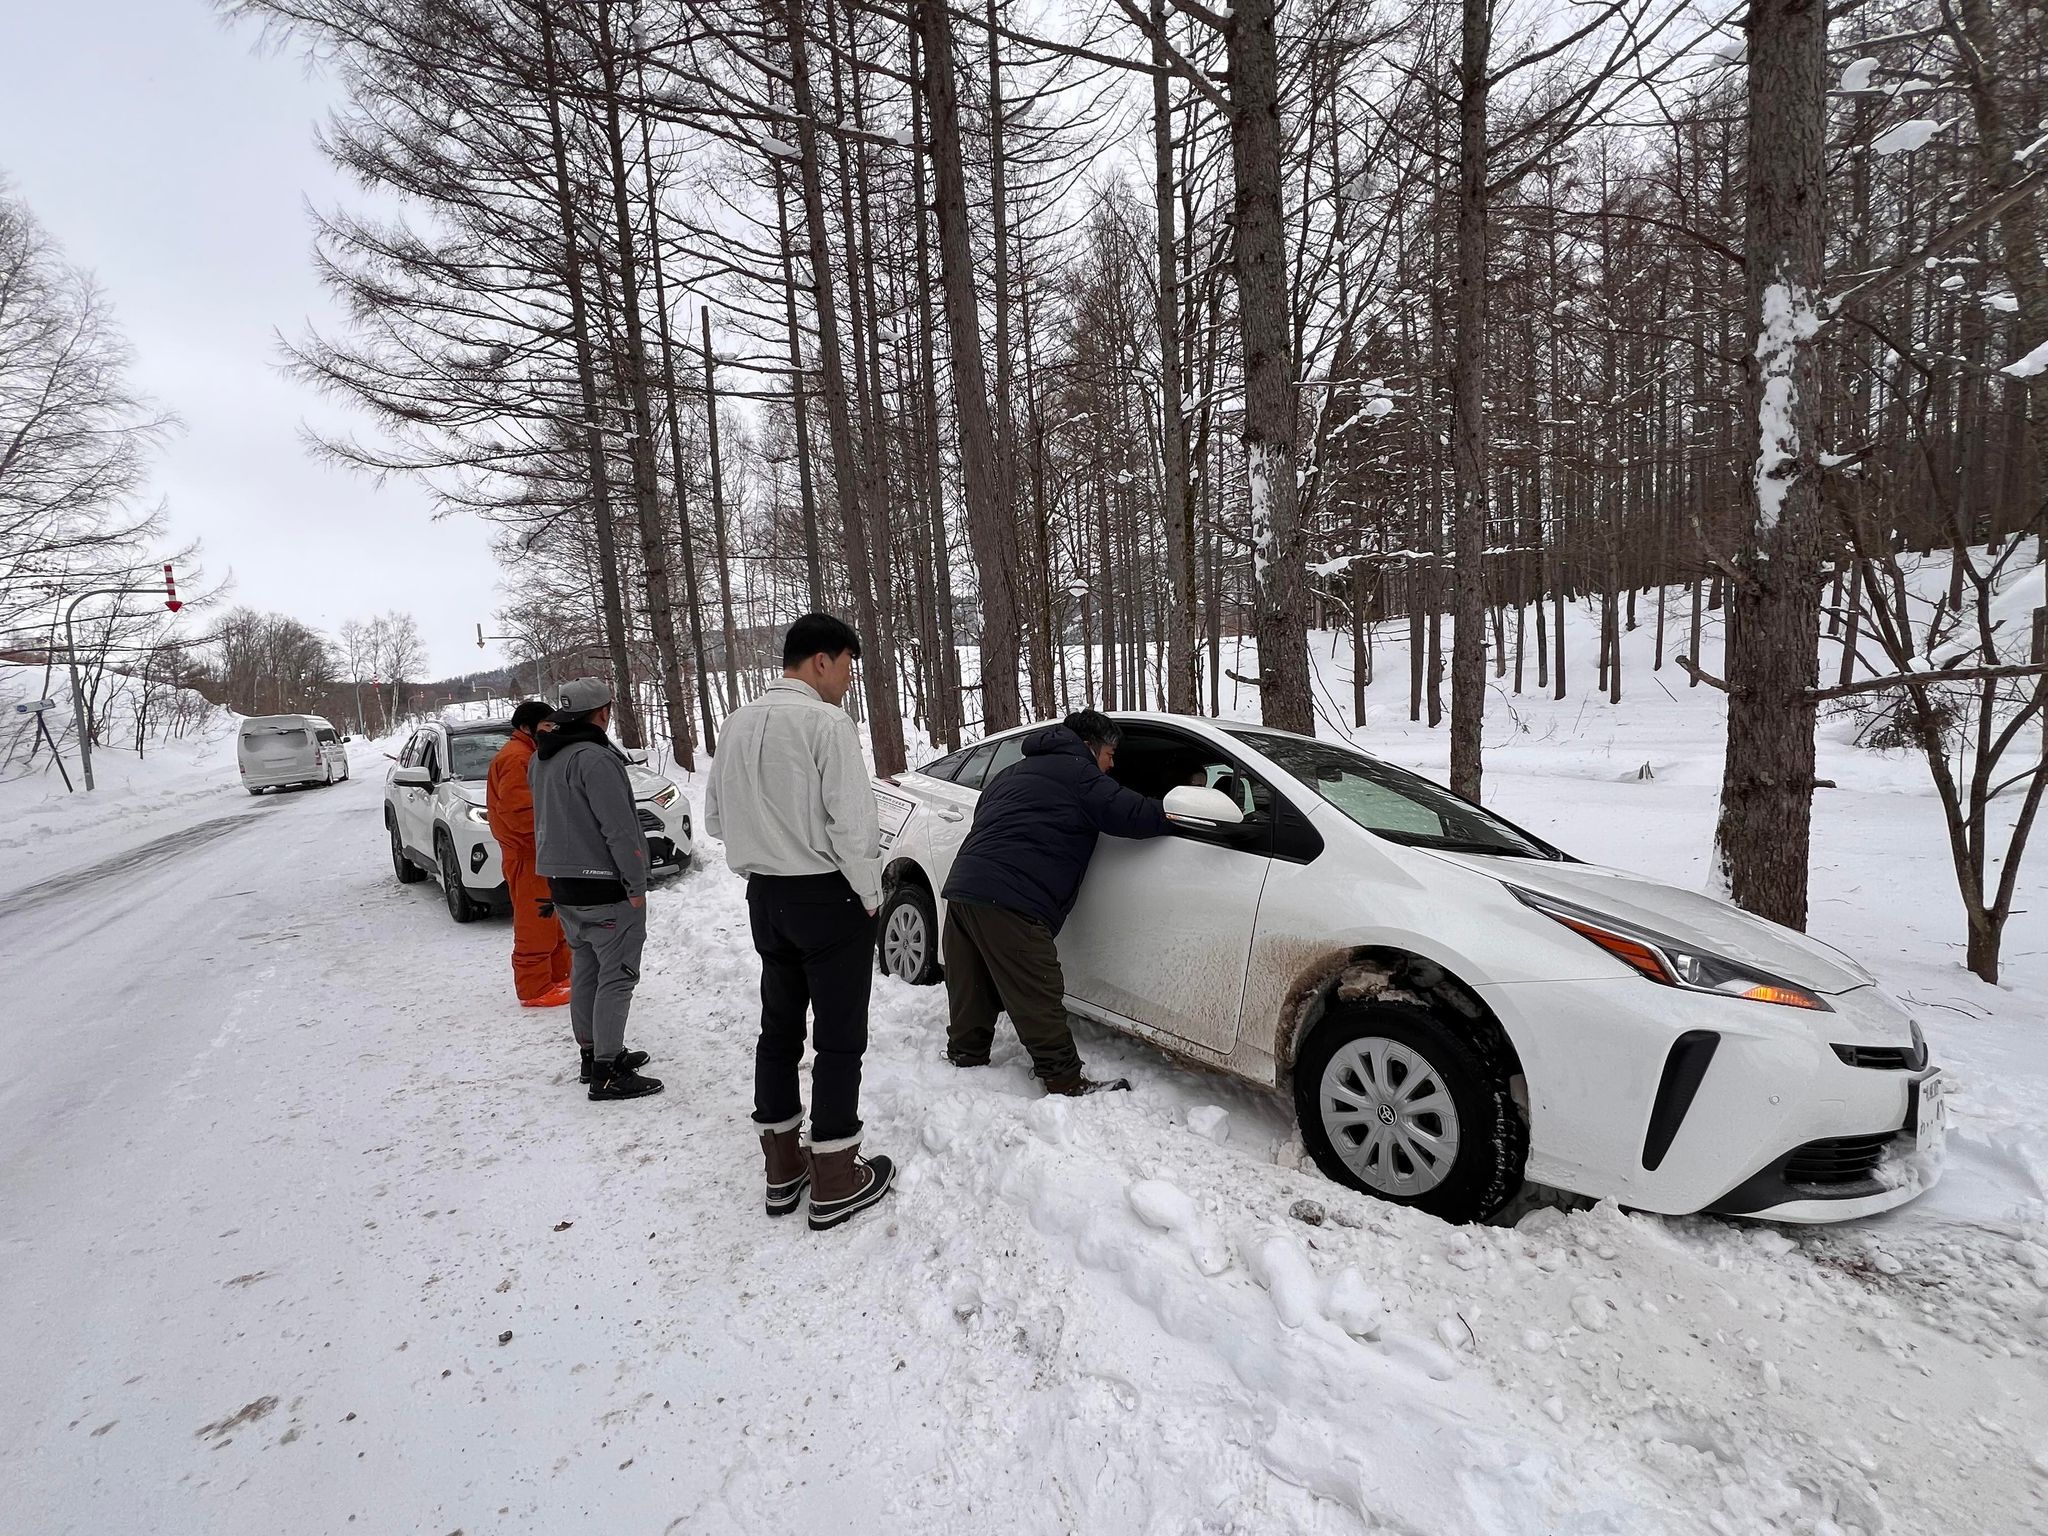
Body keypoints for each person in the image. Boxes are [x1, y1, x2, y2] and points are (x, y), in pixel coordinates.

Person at [704, 613, 892, 1232]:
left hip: (766, 897)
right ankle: (836, 1175)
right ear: (821, 661)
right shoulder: (827, 723)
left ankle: (782, 1167)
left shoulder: (736, 723)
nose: (848, 680)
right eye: (847, 666)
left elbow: (715, 820)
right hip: (827, 898)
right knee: (839, 1036)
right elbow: (853, 826)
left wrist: (767, 841)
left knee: (779, 1029)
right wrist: (870, 896)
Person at [941, 710, 1168, 1095]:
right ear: (1089, 746)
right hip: (1013, 898)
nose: (1112, 765)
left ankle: (966, 1053)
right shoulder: (1081, 775)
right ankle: (1064, 1079)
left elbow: (987, 817)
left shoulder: (1010, 773)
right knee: (1037, 990)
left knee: (971, 983)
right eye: (1110, 754)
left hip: (964, 888)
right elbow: (1133, 814)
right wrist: (1174, 812)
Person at [530, 677, 662, 1102]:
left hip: (563, 884)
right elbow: (619, 829)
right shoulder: (595, 759)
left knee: (585, 968)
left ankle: (593, 1055)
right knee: (618, 976)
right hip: (604, 885)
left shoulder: (542, 757)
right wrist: (636, 883)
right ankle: (607, 1071)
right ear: (602, 713)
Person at [486, 700, 573, 1008]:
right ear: (527, 727)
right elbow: (518, 813)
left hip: (541, 853)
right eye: (546, 724)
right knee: (536, 922)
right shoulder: (516, 758)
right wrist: (549, 837)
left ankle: (559, 976)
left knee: (554, 918)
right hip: (528, 855)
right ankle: (535, 989)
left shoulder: (530, 753)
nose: (552, 730)